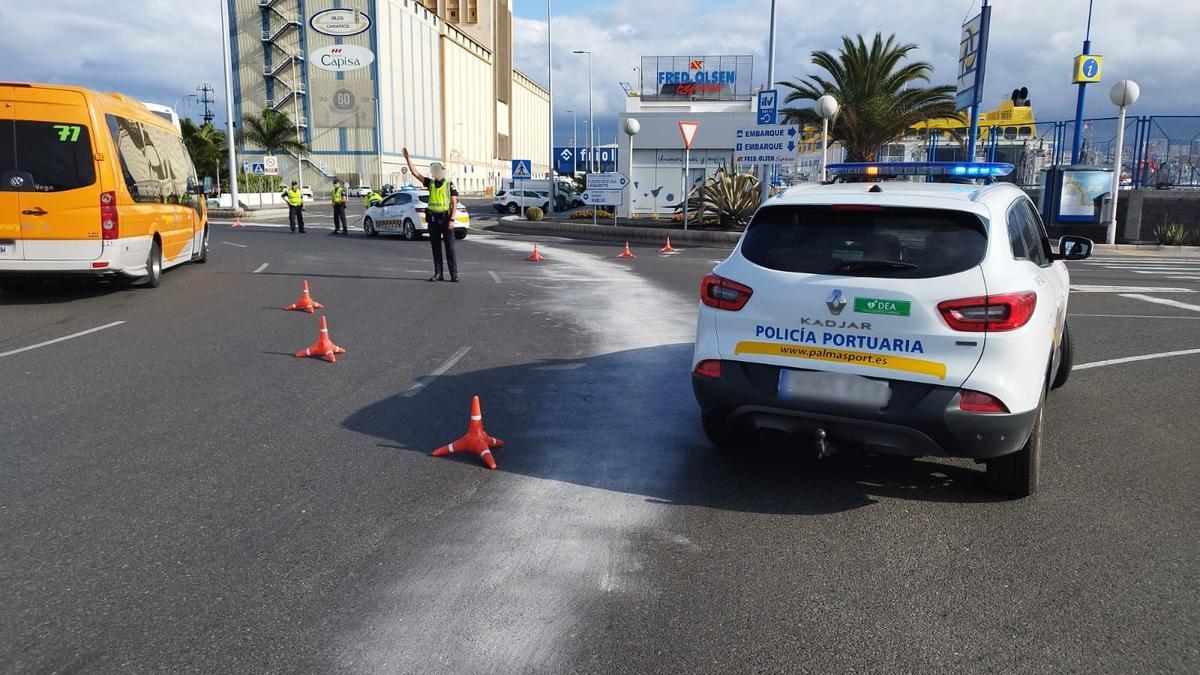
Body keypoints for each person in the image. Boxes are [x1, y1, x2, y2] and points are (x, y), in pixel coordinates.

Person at [402, 147, 459, 282]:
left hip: (446, 219)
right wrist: (407, 158)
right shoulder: (431, 183)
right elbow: (416, 174)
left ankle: (454, 274)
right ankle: (438, 273)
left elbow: (454, 203)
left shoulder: (449, 184)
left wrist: (452, 219)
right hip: (433, 219)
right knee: (436, 248)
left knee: (450, 248)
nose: (436, 172)